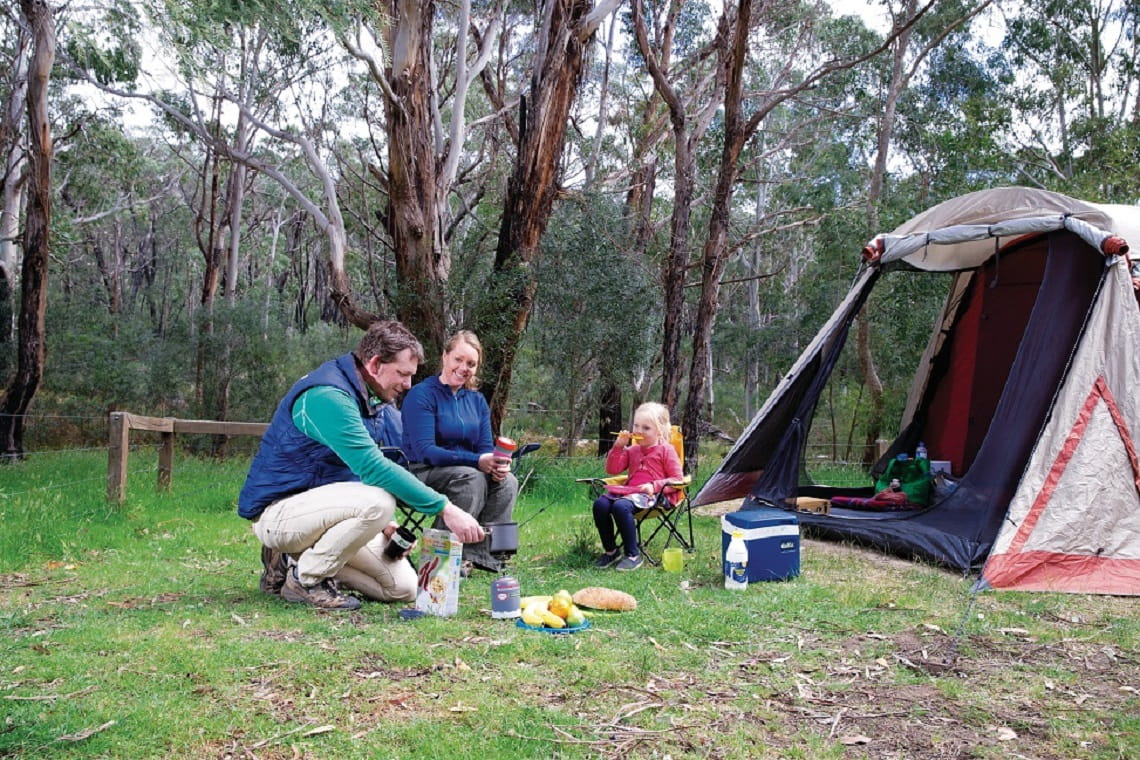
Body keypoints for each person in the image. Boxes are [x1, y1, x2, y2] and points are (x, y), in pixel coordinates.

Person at [237, 321, 484, 611]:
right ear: (376, 363)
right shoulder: (328, 396)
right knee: (378, 502)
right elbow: (372, 467)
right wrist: (446, 508)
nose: (408, 385)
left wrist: (385, 527)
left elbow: (390, 460)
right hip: (279, 513)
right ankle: (307, 579)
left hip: (325, 514)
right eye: (403, 374)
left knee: (403, 588)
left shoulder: (378, 402)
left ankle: (294, 563)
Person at [401, 330, 517, 575]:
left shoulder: (476, 401)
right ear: (445, 356)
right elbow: (426, 451)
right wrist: (478, 461)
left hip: (464, 471)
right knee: (471, 478)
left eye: (471, 364)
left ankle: (478, 557)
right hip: (422, 471)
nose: (464, 368)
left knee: (508, 482)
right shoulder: (421, 395)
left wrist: (496, 465)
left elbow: (485, 448)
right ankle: (438, 557)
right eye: (459, 360)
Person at [591, 402, 683, 571]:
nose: (639, 431)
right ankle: (611, 551)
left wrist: (654, 486)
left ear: (660, 431)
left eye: (646, 428)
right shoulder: (633, 450)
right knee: (600, 504)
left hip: (656, 496)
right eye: (636, 425)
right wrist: (618, 446)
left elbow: (677, 480)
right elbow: (612, 469)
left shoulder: (666, 450)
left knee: (620, 506)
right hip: (631, 492)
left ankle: (632, 555)